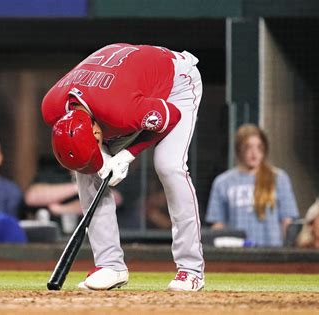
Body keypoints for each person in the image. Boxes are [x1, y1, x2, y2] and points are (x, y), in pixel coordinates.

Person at [41, 43, 204, 291]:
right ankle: (110, 265)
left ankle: (191, 270)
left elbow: (171, 118)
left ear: (98, 130)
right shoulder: (51, 108)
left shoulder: (120, 111)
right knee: (87, 173)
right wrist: (102, 155)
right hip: (126, 84)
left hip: (176, 82)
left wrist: (126, 156)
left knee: (169, 166)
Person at [205, 124, 299, 247]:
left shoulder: (279, 178)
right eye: (248, 147)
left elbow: (287, 222)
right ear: (239, 149)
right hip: (237, 252)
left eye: (259, 147)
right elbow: (218, 225)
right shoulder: (222, 182)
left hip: (272, 250)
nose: (254, 153)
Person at [24, 156, 123, 234]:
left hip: (92, 239)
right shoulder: (53, 172)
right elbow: (31, 197)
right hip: (53, 240)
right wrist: (78, 187)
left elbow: (114, 198)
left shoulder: (102, 171)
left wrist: (61, 209)